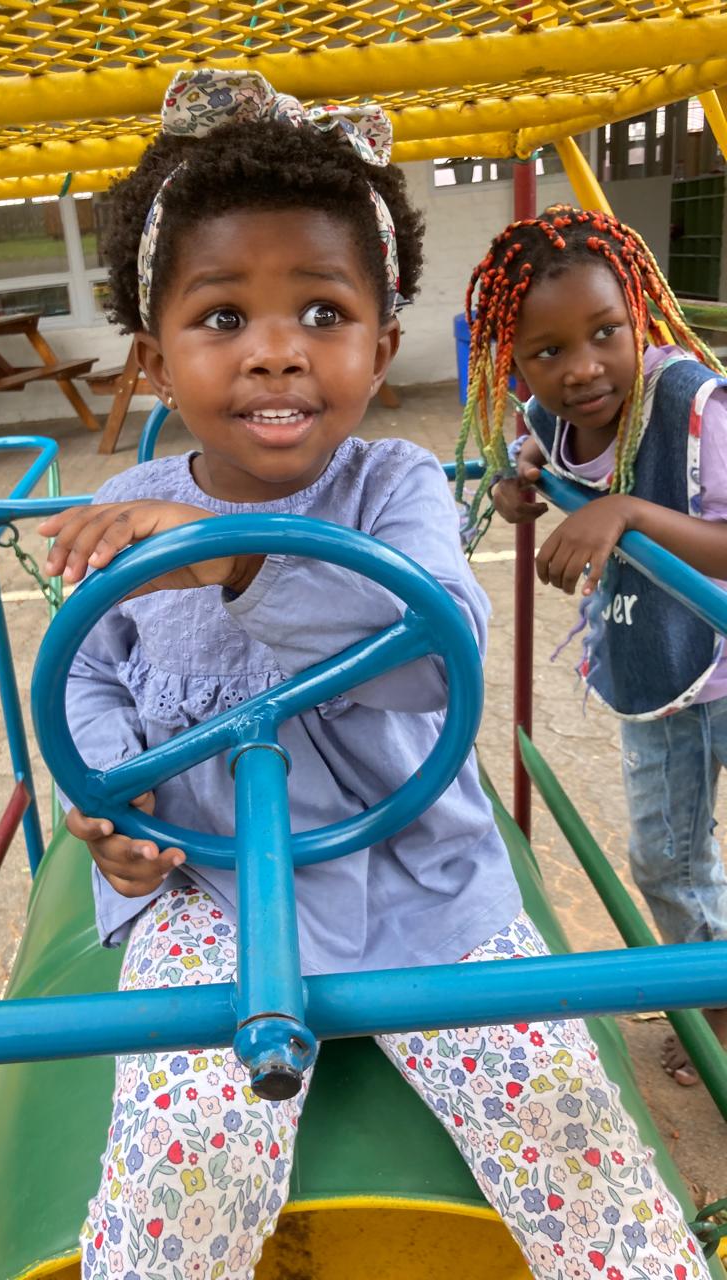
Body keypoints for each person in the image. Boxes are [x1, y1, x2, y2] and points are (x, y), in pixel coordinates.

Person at [40, 84, 713, 1280]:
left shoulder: (389, 487)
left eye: (321, 308)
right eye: (222, 316)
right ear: (152, 358)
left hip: (418, 879)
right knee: (181, 1158)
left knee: (570, 1123)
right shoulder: (122, 519)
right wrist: (105, 812)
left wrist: (233, 557)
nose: (277, 347)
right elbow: (92, 683)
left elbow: (430, 653)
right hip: (210, 880)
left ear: (380, 343)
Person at [460, 206, 727, 1088]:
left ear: (639, 314)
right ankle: (719, 1010)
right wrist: (514, 488)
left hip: (716, 652)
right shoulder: (547, 416)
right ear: (514, 359)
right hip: (663, 675)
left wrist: (631, 512)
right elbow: (519, 463)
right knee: (666, 861)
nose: (581, 369)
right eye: (546, 352)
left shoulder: (695, 410)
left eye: (605, 333)